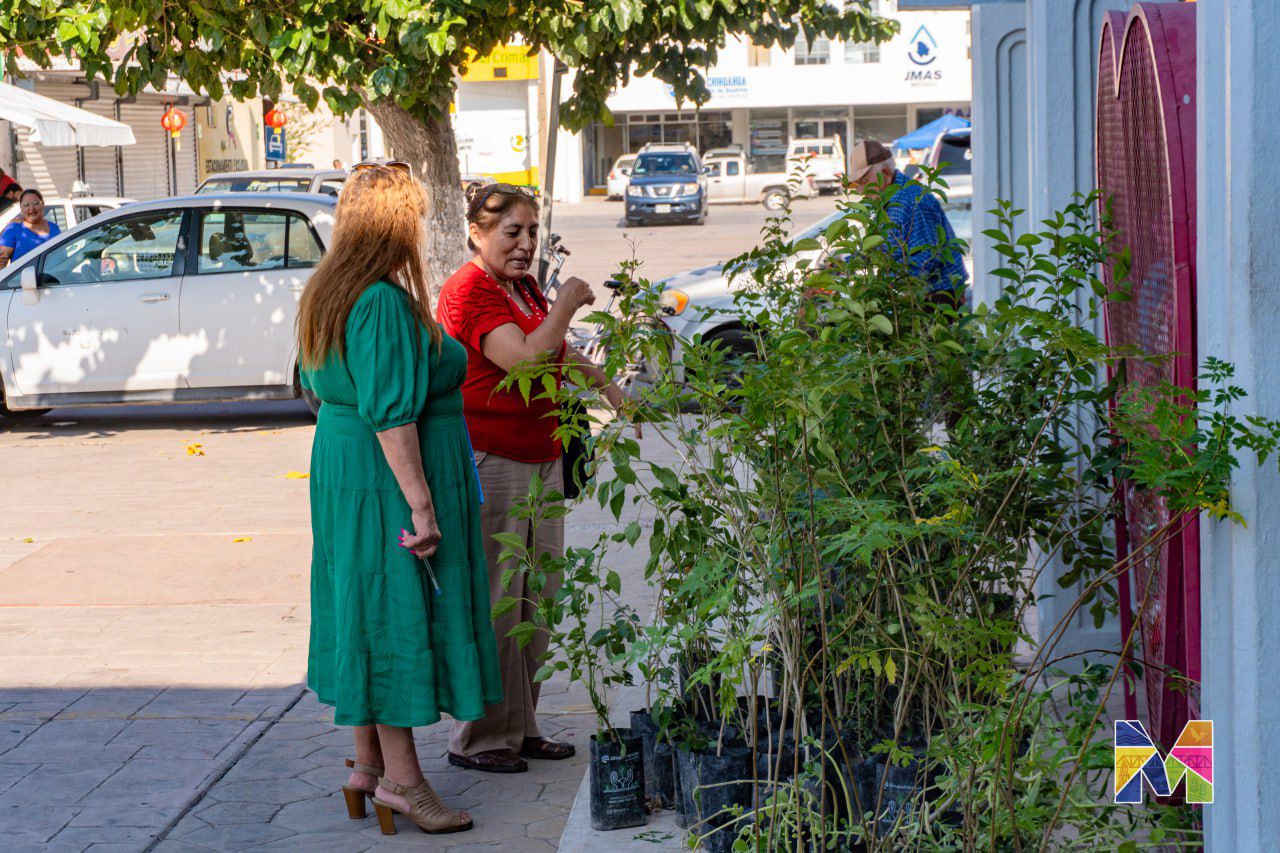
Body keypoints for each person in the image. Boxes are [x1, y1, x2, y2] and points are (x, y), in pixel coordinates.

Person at [296, 164, 502, 835]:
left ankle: (365, 764)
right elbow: (391, 412)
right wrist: (421, 504)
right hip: (382, 475)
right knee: (391, 609)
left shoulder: (330, 288)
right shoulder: (381, 300)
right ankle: (404, 783)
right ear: (394, 223)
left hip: (343, 466)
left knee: (361, 600)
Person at [437, 183, 636, 774]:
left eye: (531, 232)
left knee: (537, 599)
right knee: (501, 602)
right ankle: (478, 738)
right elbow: (524, 357)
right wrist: (567, 303)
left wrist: (606, 386)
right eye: (511, 233)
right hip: (493, 460)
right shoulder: (469, 290)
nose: (524, 245)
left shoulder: (518, 285)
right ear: (477, 232)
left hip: (541, 458)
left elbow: (554, 352)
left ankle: (521, 728)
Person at [847, 139, 968, 298]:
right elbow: (879, 247)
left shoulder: (913, 200)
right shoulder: (887, 202)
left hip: (939, 298)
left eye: (864, 181)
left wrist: (882, 285)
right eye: (858, 184)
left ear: (885, 172)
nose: (861, 190)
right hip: (917, 297)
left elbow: (925, 259)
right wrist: (845, 263)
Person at [0, 189, 60, 269]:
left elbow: (62, 256)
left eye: (36, 203)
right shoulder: (14, 228)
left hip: (54, 279)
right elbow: (1, 260)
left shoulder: (54, 228)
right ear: (21, 208)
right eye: (26, 205)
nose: (31, 208)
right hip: (23, 281)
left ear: (43, 205)